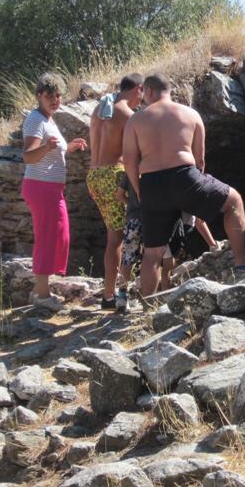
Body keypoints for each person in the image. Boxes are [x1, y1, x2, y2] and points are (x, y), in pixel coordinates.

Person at [123, 73, 245, 296]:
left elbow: (129, 162)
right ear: (169, 91)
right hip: (184, 176)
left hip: (151, 184)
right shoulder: (190, 114)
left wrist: (139, 191)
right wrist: (195, 193)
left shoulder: (135, 120)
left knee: (153, 253)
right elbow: (200, 160)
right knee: (234, 201)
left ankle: (148, 304)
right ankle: (241, 262)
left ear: (149, 91)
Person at [21, 72, 87, 301]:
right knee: (48, 237)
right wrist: (47, 147)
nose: (55, 100)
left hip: (50, 188)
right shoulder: (35, 119)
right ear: (39, 95)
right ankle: (42, 295)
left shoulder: (48, 120)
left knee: (59, 235)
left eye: (58, 96)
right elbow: (28, 156)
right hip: (41, 187)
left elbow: (52, 150)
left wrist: (69, 147)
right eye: (50, 95)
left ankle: (40, 289)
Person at [87, 73, 144, 311]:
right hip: (113, 176)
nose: (141, 100)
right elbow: (134, 155)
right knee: (118, 239)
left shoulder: (100, 109)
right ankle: (113, 295)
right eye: (142, 94)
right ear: (139, 88)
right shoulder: (127, 115)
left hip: (94, 176)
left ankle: (110, 294)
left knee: (114, 236)